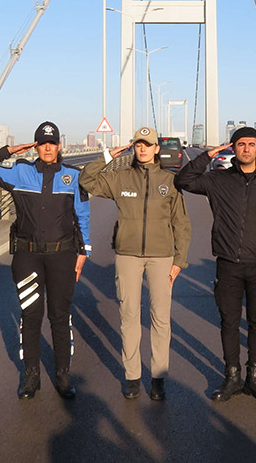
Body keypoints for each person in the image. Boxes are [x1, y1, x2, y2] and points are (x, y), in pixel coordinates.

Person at [175, 126, 256, 403]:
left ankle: (255, 378)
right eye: (241, 144)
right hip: (228, 263)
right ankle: (232, 377)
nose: (246, 149)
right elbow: (184, 180)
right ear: (233, 148)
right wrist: (208, 155)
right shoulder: (218, 180)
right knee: (229, 322)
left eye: (251, 144)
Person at [0, 121, 91, 400]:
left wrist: (84, 250)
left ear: (59, 146)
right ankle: (31, 376)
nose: (48, 148)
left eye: (52, 143)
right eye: (42, 143)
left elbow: (83, 215)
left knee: (60, 316)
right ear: (36, 146)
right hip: (28, 257)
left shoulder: (73, 176)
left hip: (62, 256)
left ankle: (63, 375)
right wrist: (9, 150)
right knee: (30, 316)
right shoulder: (19, 172)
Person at [79, 127, 191, 401]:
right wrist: (108, 156)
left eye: (147, 145)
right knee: (129, 315)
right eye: (138, 144)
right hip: (127, 255)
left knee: (160, 318)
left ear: (156, 149)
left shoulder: (170, 181)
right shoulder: (120, 178)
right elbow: (86, 180)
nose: (142, 149)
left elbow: (181, 223)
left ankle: (158, 377)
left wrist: (179, 260)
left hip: (161, 256)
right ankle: (132, 376)